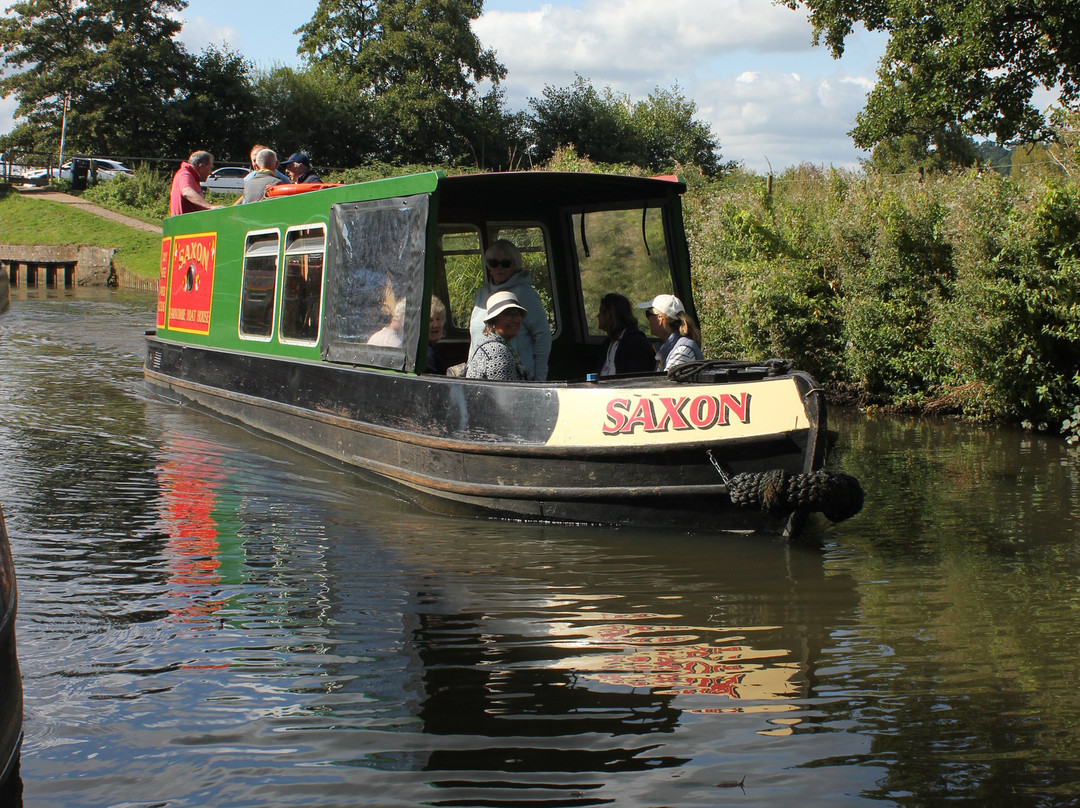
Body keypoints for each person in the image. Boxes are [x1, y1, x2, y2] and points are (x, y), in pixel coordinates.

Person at [468, 239, 552, 381]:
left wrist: (539, 379)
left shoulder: (525, 293)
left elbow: (542, 335)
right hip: (481, 377)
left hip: (516, 378)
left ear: (515, 265)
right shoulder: (482, 293)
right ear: (488, 266)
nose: (499, 267)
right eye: (494, 263)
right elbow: (474, 337)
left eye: (505, 263)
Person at [467, 291, 531, 381]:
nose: (516, 320)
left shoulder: (490, 343)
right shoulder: (498, 352)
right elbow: (505, 389)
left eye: (518, 315)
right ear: (494, 320)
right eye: (509, 315)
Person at [637, 293, 703, 370]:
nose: (648, 319)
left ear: (659, 319)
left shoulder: (682, 351)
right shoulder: (664, 347)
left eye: (648, 314)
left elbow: (668, 377)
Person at [597, 292, 657, 376]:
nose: (598, 316)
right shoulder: (607, 344)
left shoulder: (635, 343)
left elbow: (637, 377)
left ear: (609, 315)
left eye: (600, 311)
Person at [169, 151, 215, 216]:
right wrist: (210, 207)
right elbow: (187, 191)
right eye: (210, 168)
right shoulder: (185, 175)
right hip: (184, 222)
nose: (210, 172)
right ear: (201, 166)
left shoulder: (192, 177)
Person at [427, 297, 448, 374]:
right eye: (430, 320)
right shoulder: (427, 354)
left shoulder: (431, 349)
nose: (436, 325)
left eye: (438, 319)